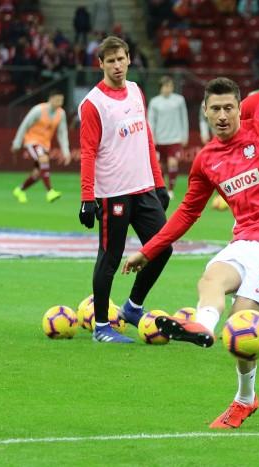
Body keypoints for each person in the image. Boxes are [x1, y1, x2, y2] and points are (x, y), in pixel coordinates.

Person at [121, 77, 259, 428]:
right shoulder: (206, 160)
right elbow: (188, 212)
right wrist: (148, 251)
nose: (222, 116)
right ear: (205, 112)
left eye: (228, 108)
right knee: (211, 278)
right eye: (215, 109)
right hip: (246, 239)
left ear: (239, 109)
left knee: (240, 327)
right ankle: (202, 327)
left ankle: (245, 399)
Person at [78, 36, 173, 343]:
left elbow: (146, 138)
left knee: (162, 248)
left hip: (143, 188)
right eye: (111, 61)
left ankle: (132, 307)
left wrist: (159, 183)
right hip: (113, 194)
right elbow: (88, 152)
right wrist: (87, 198)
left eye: (121, 59)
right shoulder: (93, 104)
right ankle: (101, 327)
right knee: (110, 257)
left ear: (129, 59)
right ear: (101, 64)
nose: (117, 66)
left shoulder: (135, 90)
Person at [11, 90, 71, 203]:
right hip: (32, 141)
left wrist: (66, 151)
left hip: (45, 145)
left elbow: (62, 133)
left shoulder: (61, 113)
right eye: (57, 100)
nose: (60, 103)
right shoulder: (38, 110)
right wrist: (17, 143)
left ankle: (20, 190)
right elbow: (24, 125)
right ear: (50, 99)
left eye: (61, 100)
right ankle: (50, 191)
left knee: (39, 173)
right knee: (44, 160)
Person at [148, 76, 189, 199]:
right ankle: (162, 188)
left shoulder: (179, 100)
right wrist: (152, 137)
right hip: (160, 139)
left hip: (174, 138)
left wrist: (184, 135)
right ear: (160, 87)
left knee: (172, 163)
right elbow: (151, 121)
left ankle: (170, 190)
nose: (168, 88)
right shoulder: (154, 102)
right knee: (160, 166)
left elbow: (184, 118)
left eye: (170, 86)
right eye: (166, 86)